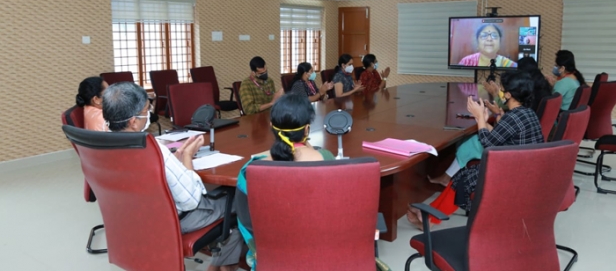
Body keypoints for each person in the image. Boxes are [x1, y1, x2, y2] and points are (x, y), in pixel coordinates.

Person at [235, 93, 391, 271]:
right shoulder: (327, 160)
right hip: (330, 258)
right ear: (307, 129)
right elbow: (341, 214)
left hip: (274, 261)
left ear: (272, 127)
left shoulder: (251, 170)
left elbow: (246, 222)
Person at [102, 82, 242, 271]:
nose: (149, 114)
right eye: (146, 110)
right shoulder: (153, 150)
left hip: (132, 218)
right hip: (176, 219)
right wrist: (186, 157)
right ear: (133, 121)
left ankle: (220, 264)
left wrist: (173, 162)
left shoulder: (100, 144)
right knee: (241, 199)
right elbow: (192, 201)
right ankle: (224, 265)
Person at [413, 71, 544, 229]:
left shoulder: (513, 117)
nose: (499, 92)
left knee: (465, 177)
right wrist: (480, 119)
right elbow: (500, 135)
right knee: (463, 174)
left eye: (501, 89)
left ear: (508, 94)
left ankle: (430, 218)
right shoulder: (527, 114)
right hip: (524, 170)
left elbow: (487, 144)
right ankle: (431, 215)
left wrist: (481, 118)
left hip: (511, 175)